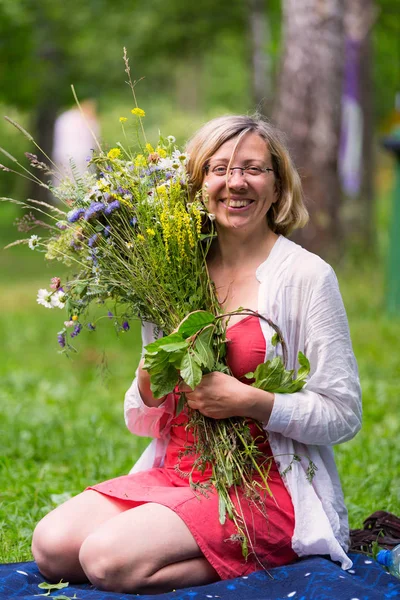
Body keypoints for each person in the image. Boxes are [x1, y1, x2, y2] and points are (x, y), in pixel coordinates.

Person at [31, 115, 362, 594]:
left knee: (106, 561)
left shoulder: (307, 278)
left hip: (264, 483)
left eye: (253, 168)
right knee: (52, 546)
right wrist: (148, 382)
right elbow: (143, 416)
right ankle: (180, 547)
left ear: (277, 185)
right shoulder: (173, 268)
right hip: (181, 470)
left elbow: (344, 413)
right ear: (199, 182)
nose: (236, 182)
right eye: (219, 168)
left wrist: (253, 401)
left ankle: (282, 548)